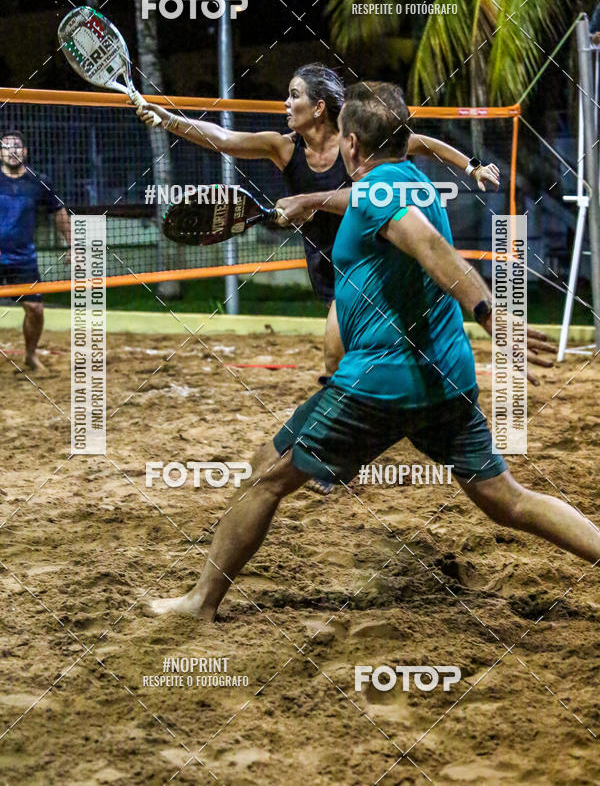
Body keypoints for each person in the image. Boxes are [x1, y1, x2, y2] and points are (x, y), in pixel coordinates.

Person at [142, 81, 600, 622]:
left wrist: (490, 312)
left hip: (380, 382)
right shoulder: (408, 178)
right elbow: (372, 202)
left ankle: (200, 601)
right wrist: (313, 199)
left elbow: (429, 247)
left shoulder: (381, 196)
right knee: (507, 499)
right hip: (446, 376)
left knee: (267, 477)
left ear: (352, 145)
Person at [135, 64, 500, 494]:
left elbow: (425, 144)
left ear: (319, 107)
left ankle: (337, 455)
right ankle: (358, 438)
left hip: (373, 261)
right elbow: (222, 138)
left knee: (337, 354)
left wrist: (472, 165)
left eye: (294, 95)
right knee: (349, 356)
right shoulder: (284, 148)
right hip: (329, 267)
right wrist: (167, 117)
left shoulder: (361, 141)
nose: (286, 104)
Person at [0, 130, 70, 371]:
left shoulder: (38, 180)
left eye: (16, 146)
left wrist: (72, 245)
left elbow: (58, 212)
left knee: (35, 309)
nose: (12, 150)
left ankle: (30, 356)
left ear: (25, 152)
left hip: (23, 259)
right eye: (6, 146)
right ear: (1, 153)